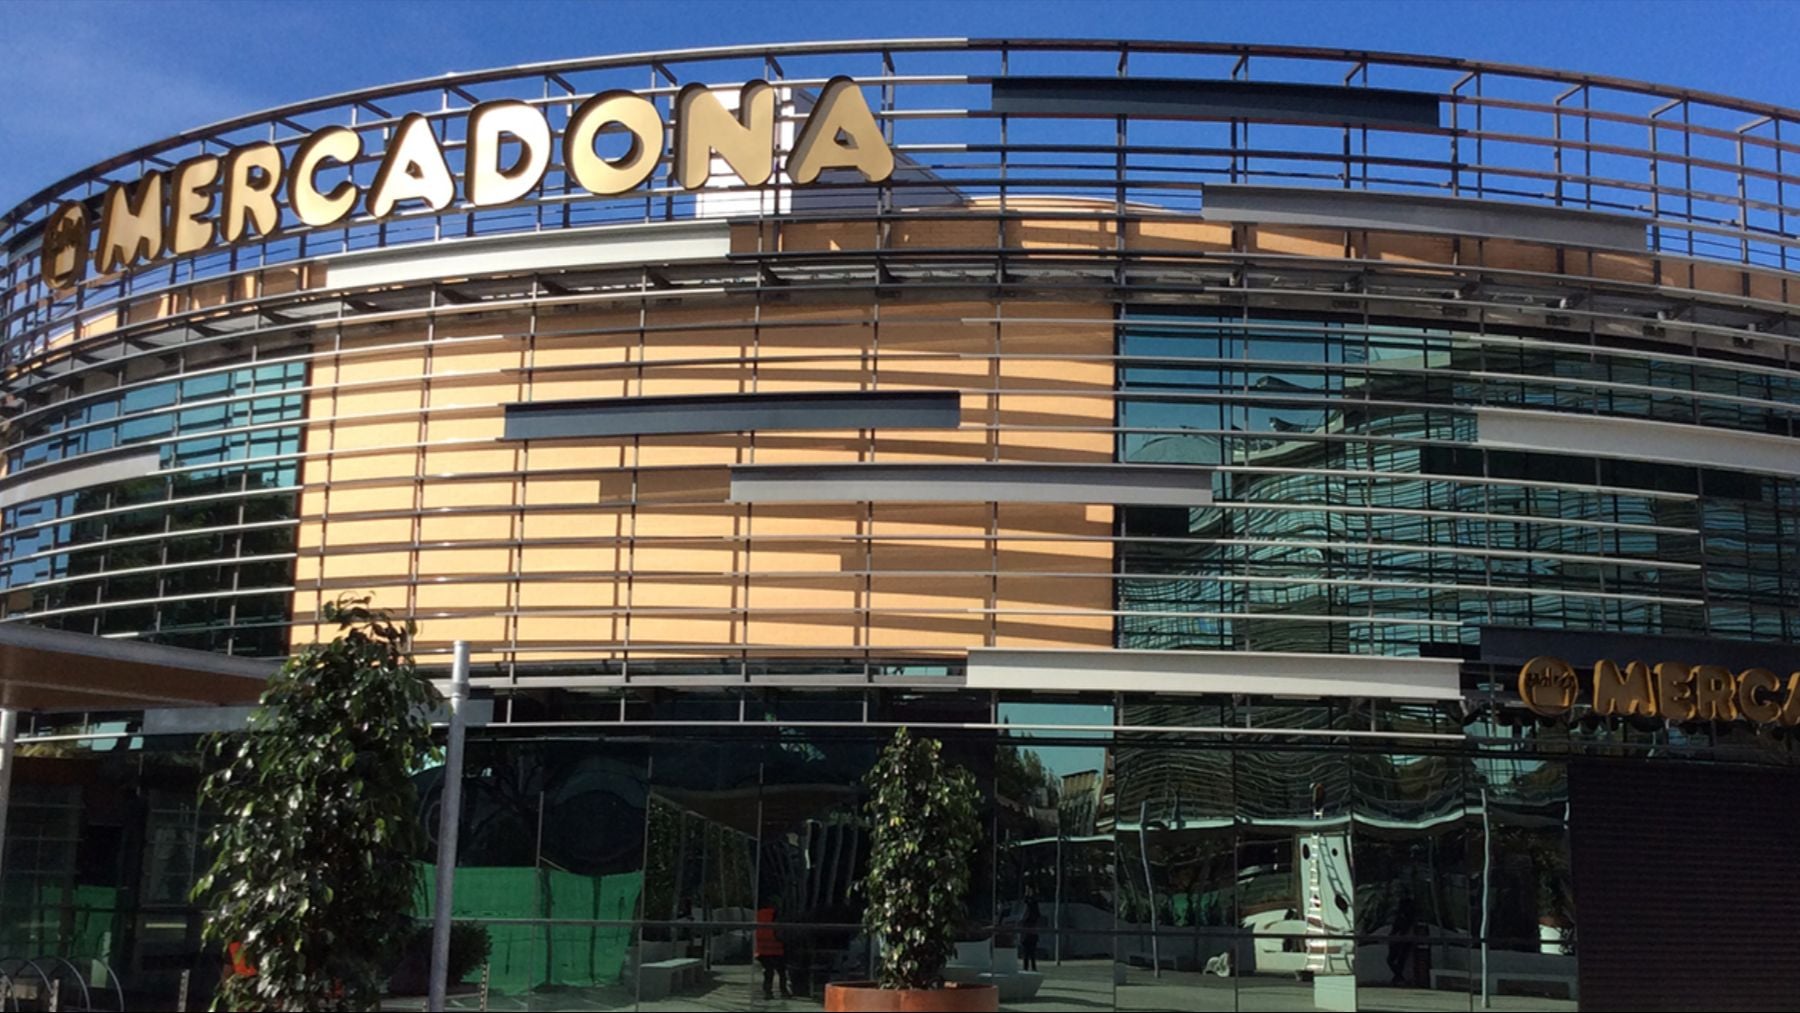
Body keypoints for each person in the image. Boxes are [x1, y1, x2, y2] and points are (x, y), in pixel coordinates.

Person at [756, 903, 790, 1000]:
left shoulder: (759, 914)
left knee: (768, 972)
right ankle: (783, 991)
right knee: (781, 972)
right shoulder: (778, 913)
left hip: (763, 948)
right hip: (777, 947)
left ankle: (768, 992)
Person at [1386, 895, 1418, 986]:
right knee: (1398, 960)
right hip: (1400, 940)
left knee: (1395, 960)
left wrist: (1395, 936)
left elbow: (1400, 929)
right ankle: (1398, 977)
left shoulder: (1406, 918)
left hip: (1401, 940)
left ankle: (1399, 977)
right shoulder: (1404, 917)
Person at [1019, 897, 1042, 971]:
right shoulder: (1035, 912)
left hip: (1028, 934)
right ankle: (1032, 967)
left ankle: (1027, 968)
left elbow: (1023, 920)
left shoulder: (1028, 911)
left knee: (1027, 953)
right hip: (1031, 934)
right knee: (1031, 953)